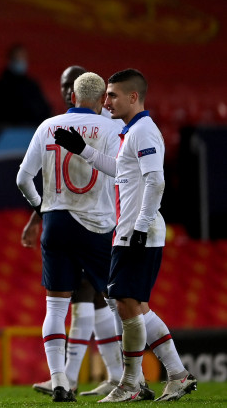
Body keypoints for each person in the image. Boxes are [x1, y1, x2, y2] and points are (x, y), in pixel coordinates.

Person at [54, 68, 197, 403]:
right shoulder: (133, 132)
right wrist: (83, 150)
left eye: (113, 95)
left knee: (124, 305)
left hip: (137, 230)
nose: (107, 101)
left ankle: (132, 383)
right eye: (105, 95)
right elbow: (123, 170)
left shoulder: (144, 132)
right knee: (134, 307)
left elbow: (156, 181)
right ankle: (177, 374)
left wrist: (142, 224)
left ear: (133, 97)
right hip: (131, 228)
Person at [16, 72, 133, 402]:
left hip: (56, 223)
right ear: (100, 101)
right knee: (120, 300)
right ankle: (135, 376)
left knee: (55, 307)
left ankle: (60, 382)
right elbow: (120, 171)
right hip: (96, 227)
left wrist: (41, 208)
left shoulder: (47, 126)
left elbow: (23, 179)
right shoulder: (112, 127)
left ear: (73, 96)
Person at [0, 44, 51, 126]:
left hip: (31, 130)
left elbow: (44, 109)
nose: (21, 62)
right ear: (10, 60)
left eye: (23, 58)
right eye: (17, 59)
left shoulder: (32, 85)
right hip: (8, 131)